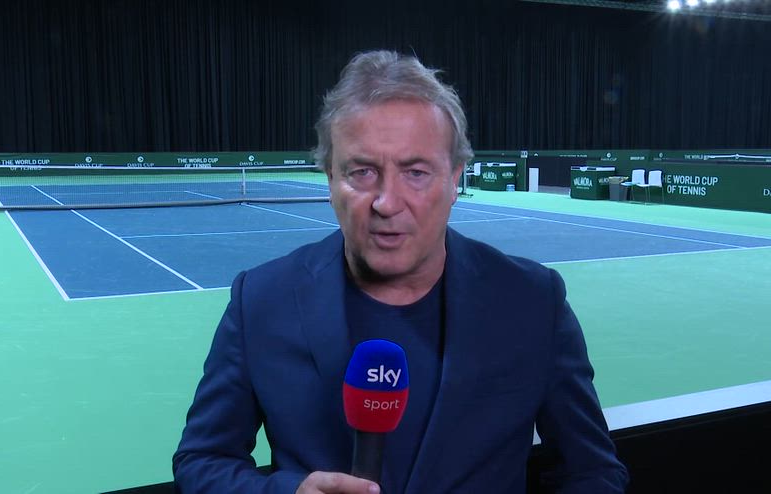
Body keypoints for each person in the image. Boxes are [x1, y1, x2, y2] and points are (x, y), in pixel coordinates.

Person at [173, 50, 628, 494]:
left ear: (455, 179)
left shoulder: (532, 301)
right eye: (362, 172)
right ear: (329, 178)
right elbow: (202, 461)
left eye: (415, 172)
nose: (387, 203)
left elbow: (592, 472)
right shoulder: (261, 300)